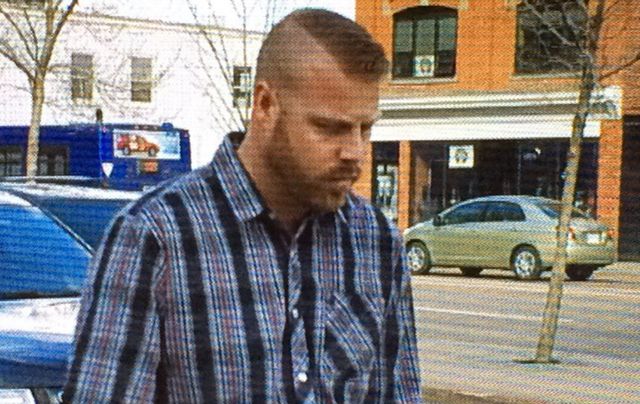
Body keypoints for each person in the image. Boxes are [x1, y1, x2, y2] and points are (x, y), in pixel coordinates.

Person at [63, 8, 421, 403]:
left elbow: (398, 393)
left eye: (365, 129)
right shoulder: (156, 236)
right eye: (329, 127)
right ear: (265, 105)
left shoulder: (377, 240)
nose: (354, 152)